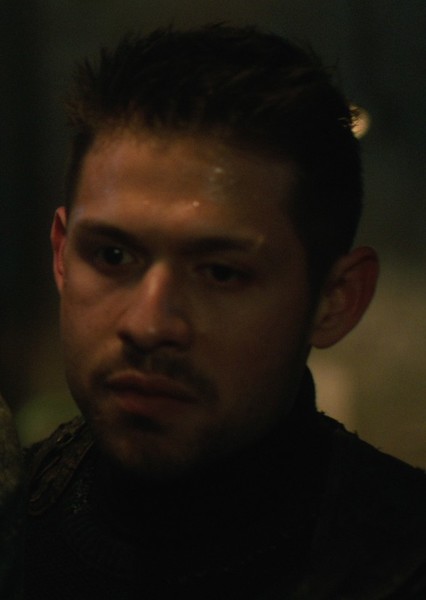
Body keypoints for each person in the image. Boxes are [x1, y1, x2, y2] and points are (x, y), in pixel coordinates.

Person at [23, 24, 426, 599]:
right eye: (112, 256)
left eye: (220, 273)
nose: (148, 324)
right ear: (62, 256)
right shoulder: (14, 518)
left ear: (336, 299)